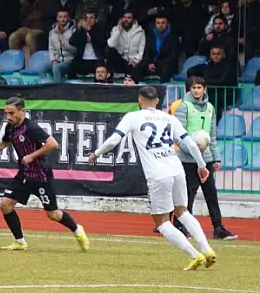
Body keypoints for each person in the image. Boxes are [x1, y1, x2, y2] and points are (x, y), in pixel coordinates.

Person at [88, 86, 217, 271]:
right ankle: (207, 249)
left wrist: (96, 153)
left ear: (140, 100)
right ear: (157, 101)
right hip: (176, 168)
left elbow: (114, 140)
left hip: (158, 174)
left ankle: (195, 255)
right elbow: (188, 142)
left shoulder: (133, 117)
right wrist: (202, 165)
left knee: (162, 222)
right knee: (183, 211)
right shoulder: (169, 118)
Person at [0, 97, 90, 252]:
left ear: (22, 112)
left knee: (53, 214)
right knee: (5, 205)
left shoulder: (31, 127)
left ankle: (77, 230)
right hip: (24, 175)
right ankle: (20, 242)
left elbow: (53, 143)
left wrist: (32, 156)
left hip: (40, 176)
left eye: (11, 113)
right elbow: (3, 143)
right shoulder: (11, 127)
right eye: (6, 113)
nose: (8, 117)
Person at [170, 78, 237, 240]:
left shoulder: (210, 108)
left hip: (206, 159)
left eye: (199, 87)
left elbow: (212, 135)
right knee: (188, 194)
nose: (196, 91)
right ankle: (181, 227)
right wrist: (193, 150)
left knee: (211, 194)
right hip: (187, 159)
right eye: (194, 87)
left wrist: (216, 157)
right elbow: (178, 136)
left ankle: (218, 228)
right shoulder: (183, 107)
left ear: (204, 89)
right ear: (189, 89)